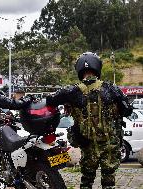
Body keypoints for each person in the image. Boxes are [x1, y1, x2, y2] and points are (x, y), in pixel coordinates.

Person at [46, 52, 132, 189]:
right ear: (97, 68)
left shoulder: (72, 91)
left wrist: (68, 103)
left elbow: (50, 100)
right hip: (109, 146)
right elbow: (128, 110)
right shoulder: (112, 89)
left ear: (79, 70)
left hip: (87, 146)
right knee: (109, 183)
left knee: (86, 181)